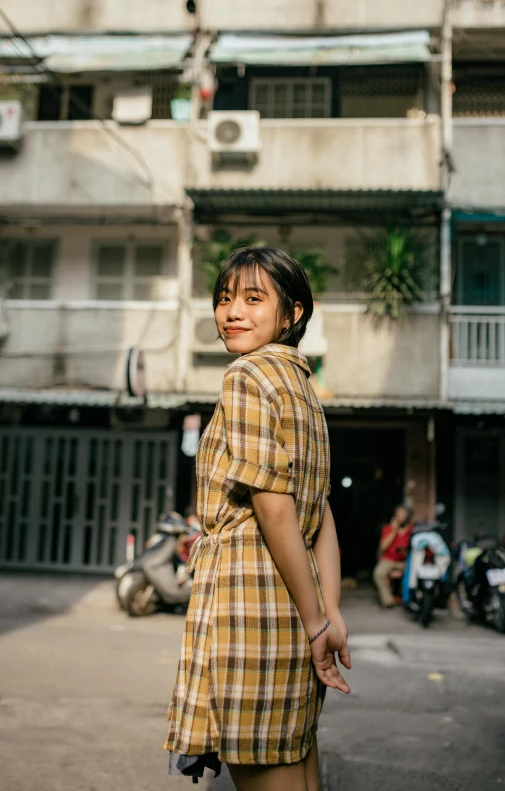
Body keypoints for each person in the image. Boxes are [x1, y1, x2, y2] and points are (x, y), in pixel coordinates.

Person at [165, 247, 351, 791]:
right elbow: (322, 516)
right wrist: (327, 614)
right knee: (299, 764)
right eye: (224, 299)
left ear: (291, 314)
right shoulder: (303, 388)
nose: (232, 312)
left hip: (253, 606)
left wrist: (319, 621)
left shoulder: (246, 376)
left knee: (268, 772)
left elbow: (275, 508)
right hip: (298, 607)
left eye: (253, 298)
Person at [373, 505, 413, 608]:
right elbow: (383, 546)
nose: (400, 516)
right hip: (389, 560)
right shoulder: (388, 528)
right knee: (378, 573)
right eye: (398, 514)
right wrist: (394, 531)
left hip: (405, 562)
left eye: (403, 514)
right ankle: (388, 601)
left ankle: (410, 600)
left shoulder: (412, 530)